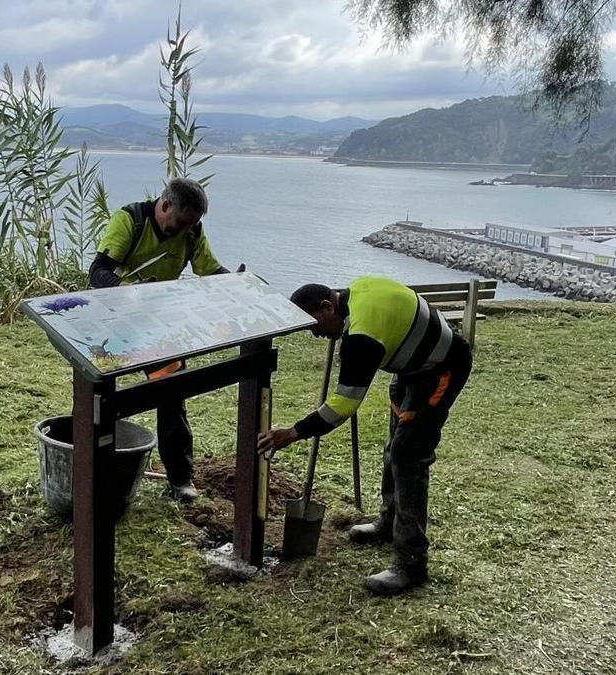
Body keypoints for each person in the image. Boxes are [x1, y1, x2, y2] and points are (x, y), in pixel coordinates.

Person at [257, 276, 473, 595]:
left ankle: (411, 564)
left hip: (441, 368)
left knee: (407, 455)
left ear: (328, 306)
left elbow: (342, 406)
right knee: (394, 449)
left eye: (314, 325)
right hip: (411, 368)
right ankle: (389, 523)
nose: (315, 334)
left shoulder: (360, 337)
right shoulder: (356, 292)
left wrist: (291, 433)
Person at [88, 177, 229, 502]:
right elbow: (98, 271)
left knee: (172, 396)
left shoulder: (192, 231)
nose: (183, 231)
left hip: (158, 330)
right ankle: (91, 472)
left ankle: (180, 479)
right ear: (164, 205)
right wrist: (128, 293)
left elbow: (210, 270)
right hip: (113, 327)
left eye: (190, 225)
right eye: (179, 222)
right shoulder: (130, 220)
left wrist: (241, 283)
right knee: (98, 400)